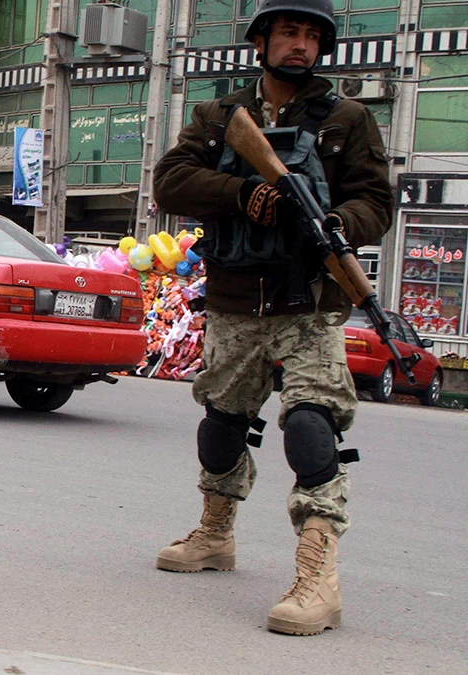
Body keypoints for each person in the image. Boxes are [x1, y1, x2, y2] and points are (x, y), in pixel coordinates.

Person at [151, 0, 392, 635]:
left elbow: (376, 199)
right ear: (262, 40)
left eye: (312, 37)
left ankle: (318, 577)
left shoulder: (348, 119)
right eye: (289, 33)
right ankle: (215, 535)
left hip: (309, 301)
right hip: (235, 298)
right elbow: (171, 182)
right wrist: (243, 194)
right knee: (220, 429)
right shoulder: (220, 115)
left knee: (311, 428)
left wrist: (338, 224)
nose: (300, 46)